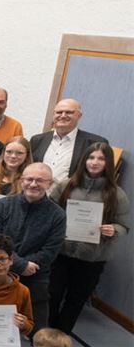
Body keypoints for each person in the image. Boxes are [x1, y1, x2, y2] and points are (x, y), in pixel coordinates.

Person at [48, 143, 129, 334]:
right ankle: (46, 333)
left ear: (108, 163)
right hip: (61, 251)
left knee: (76, 299)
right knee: (53, 293)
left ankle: (61, 335)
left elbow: (124, 226)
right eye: (91, 157)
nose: (95, 162)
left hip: (92, 258)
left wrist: (113, 229)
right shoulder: (66, 184)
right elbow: (49, 209)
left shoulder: (117, 194)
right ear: (84, 159)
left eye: (101, 158)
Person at [0, 163, 66, 333]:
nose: (33, 184)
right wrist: (20, 265)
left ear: (49, 184)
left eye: (40, 180)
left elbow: (51, 250)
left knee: (40, 330)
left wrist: (27, 267)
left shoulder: (58, 215)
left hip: (35, 275)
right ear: (21, 181)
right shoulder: (3, 205)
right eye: (29, 179)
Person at [30, 98, 109, 183]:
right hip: (38, 193)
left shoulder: (95, 143)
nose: (63, 115)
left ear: (79, 116)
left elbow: (101, 176)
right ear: (53, 115)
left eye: (69, 112)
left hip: (71, 194)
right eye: (59, 112)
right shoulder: (37, 140)